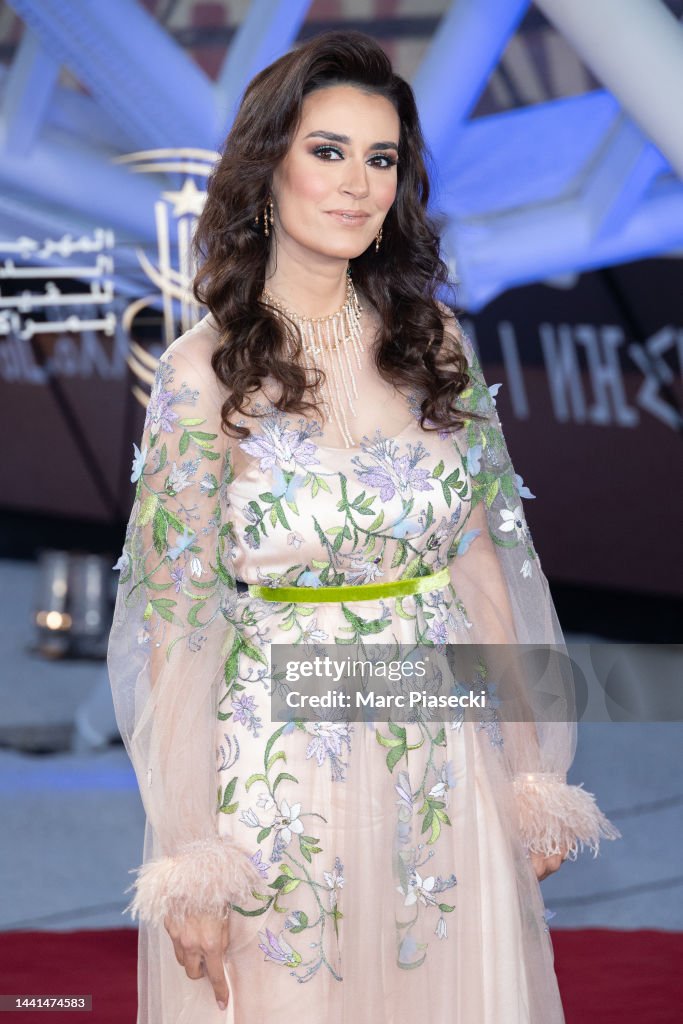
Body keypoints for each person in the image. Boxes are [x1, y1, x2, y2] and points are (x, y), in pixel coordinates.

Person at [107, 29, 620, 1024]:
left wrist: (530, 764)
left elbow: (486, 563)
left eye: (379, 158)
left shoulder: (434, 343)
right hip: (277, 771)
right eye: (327, 152)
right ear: (268, 169)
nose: (355, 185)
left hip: (440, 760)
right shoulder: (201, 373)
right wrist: (188, 852)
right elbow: (172, 624)